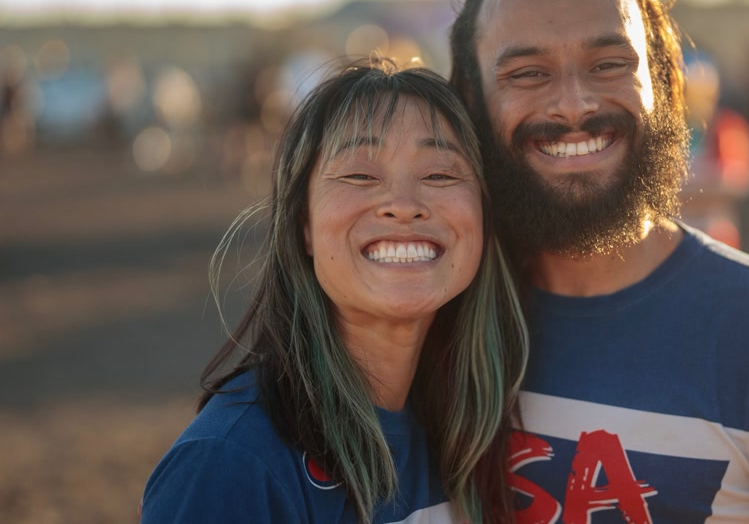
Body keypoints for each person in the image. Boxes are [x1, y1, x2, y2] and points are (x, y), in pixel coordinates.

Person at [449, 0, 749, 522]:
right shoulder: (436, 319)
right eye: (528, 74)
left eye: (609, 64)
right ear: (471, 102)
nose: (575, 104)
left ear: (662, 83)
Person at [140, 62, 529, 523]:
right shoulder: (230, 464)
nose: (403, 206)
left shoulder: (473, 437)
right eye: (360, 176)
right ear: (303, 225)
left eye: (440, 175)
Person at [677, 49, 749, 249]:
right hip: (672, 238)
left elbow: (735, 182)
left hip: (715, 236)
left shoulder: (727, 126)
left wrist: (682, 189)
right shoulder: (664, 132)